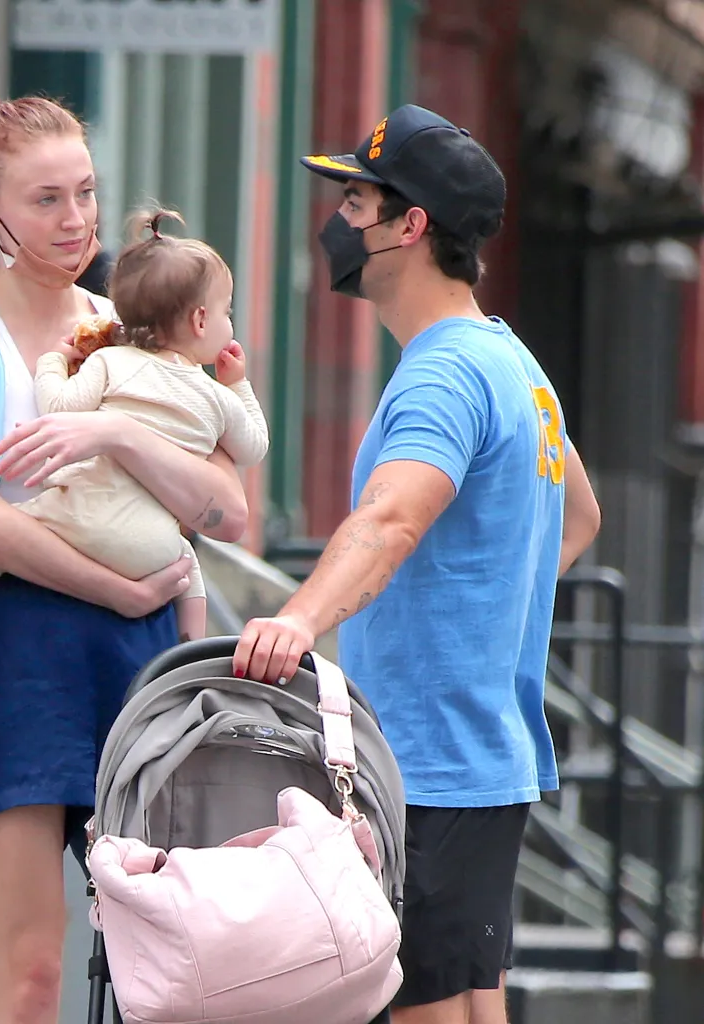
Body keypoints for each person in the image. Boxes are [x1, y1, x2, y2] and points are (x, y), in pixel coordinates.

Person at [0, 84, 249, 1024]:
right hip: (18, 652)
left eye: (85, 192)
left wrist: (116, 441)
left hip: (148, 652)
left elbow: (228, 508)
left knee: (176, 964)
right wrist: (116, 592)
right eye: (47, 199)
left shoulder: (129, 319)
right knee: (36, 973)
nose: (76, 218)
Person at [233, 104, 602, 1024]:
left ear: (411, 226)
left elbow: (391, 517)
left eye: (356, 203)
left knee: (425, 1006)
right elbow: (578, 516)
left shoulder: (442, 375)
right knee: (470, 1001)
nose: (340, 224)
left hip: (425, 757)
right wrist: (484, 605)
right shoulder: (513, 364)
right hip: (484, 756)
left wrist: (299, 620)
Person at [0, 208, 268, 679]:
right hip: (154, 548)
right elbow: (252, 447)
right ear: (201, 320)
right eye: (228, 312)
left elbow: (61, 408)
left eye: (85, 193)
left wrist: (53, 362)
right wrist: (237, 387)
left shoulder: (109, 360)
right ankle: (190, 655)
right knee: (188, 566)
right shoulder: (213, 396)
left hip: (79, 520)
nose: (76, 216)